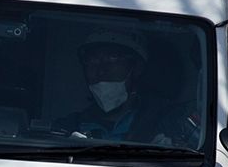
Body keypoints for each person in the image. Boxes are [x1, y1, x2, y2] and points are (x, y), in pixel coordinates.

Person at [58, 28, 197, 146]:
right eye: (92, 61)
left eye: (112, 59)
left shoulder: (170, 124)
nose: (101, 70)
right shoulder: (70, 126)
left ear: (137, 67)